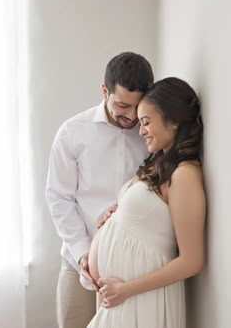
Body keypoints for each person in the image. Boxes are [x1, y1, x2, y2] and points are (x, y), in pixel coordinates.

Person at [45, 52, 154, 328]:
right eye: (122, 105)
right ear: (104, 91)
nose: (131, 117)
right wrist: (83, 254)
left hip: (133, 269)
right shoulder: (72, 133)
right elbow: (59, 199)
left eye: (137, 107)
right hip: (78, 263)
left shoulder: (150, 135)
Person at [87, 77, 206, 328]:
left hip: (140, 298)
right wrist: (114, 218)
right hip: (120, 298)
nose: (141, 131)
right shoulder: (159, 164)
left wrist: (126, 289)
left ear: (173, 121)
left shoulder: (184, 174)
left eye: (146, 122)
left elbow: (192, 260)